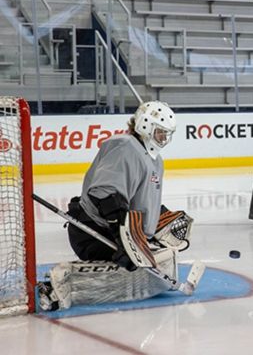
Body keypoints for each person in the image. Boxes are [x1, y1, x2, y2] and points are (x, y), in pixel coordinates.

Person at [37, 101, 193, 311]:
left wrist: (161, 218)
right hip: (94, 230)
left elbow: (141, 199)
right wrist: (124, 239)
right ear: (145, 126)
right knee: (133, 267)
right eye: (160, 132)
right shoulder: (125, 146)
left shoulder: (155, 160)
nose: (164, 139)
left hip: (121, 229)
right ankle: (63, 279)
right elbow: (105, 195)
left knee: (163, 261)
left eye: (167, 134)